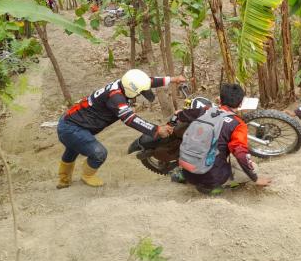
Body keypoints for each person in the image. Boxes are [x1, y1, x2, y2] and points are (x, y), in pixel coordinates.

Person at [56, 69, 187, 188]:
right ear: (131, 91)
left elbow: (148, 82)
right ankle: (87, 176)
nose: (141, 94)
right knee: (99, 153)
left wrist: (172, 79)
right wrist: (156, 129)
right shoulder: (115, 97)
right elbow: (130, 118)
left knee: (73, 148)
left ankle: (64, 179)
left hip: (72, 122)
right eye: (139, 93)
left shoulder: (124, 83)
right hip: (71, 128)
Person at [171, 84, 271, 195]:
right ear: (241, 103)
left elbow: (181, 115)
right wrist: (255, 178)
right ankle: (214, 187)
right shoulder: (238, 124)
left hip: (188, 170)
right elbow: (241, 154)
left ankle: (182, 175)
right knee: (254, 168)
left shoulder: (205, 110)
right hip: (210, 177)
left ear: (220, 99)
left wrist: (178, 113)